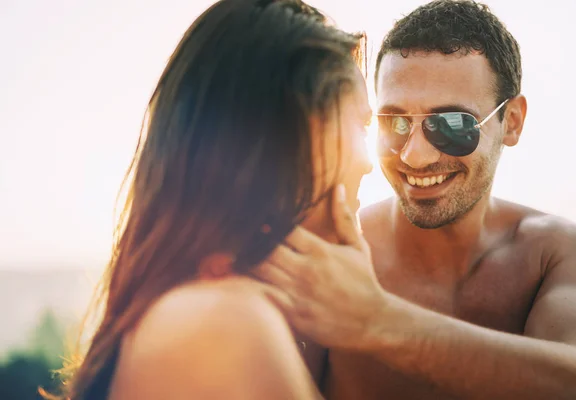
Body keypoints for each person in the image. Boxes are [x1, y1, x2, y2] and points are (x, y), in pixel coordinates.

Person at [256, 1, 576, 399]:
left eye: (452, 125)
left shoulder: (557, 253)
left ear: (513, 122)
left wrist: (378, 321)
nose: (414, 156)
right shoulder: (330, 253)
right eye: (394, 122)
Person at [42, 0, 372, 399]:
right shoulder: (224, 320)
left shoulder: (205, 301)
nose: (369, 163)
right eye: (360, 123)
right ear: (299, 135)